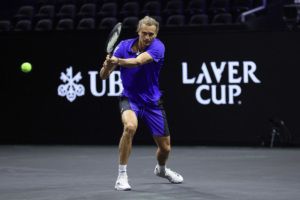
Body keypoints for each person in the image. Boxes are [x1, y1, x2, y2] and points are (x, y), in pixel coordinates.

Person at [99, 16, 183, 191]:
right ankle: (121, 176)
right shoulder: (123, 46)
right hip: (130, 98)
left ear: (156, 34)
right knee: (130, 127)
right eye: (144, 33)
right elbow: (103, 76)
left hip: (153, 102)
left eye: (151, 34)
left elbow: (138, 61)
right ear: (138, 31)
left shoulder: (158, 47)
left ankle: (161, 170)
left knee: (165, 148)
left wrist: (118, 61)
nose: (147, 37)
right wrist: (107, 66)